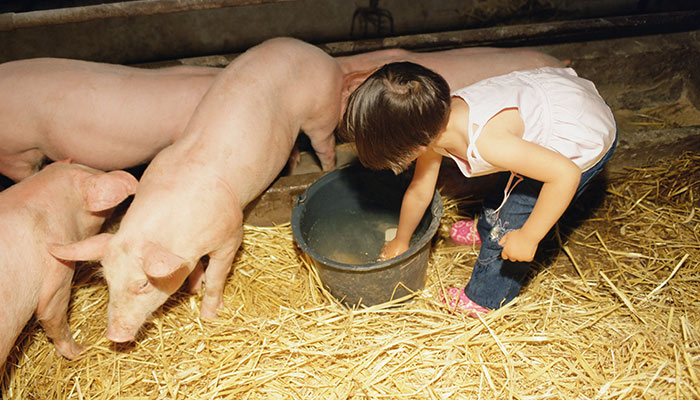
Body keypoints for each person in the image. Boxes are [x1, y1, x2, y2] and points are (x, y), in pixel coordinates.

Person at [340, 62, 617, 314]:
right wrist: (401, 239)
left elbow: (564, 175)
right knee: (505, 194)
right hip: (552, 108)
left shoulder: (489, 144)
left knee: (510, 227)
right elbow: (420, 189)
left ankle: (484, 299)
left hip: (579, 140)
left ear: (413, 147)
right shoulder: (430, 121)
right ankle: (489, 227)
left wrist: (529, 237)